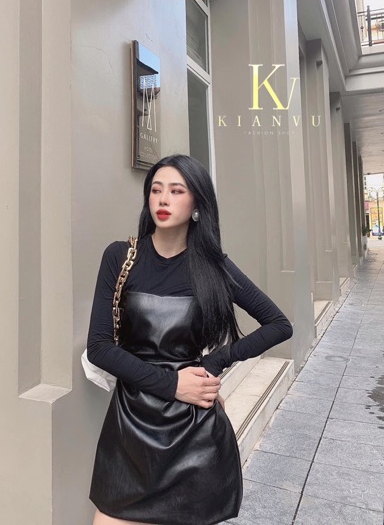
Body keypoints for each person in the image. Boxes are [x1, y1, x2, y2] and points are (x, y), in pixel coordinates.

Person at [86, 154, 293, 525]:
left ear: (197, 203)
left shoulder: (214, 267)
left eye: (176, 191)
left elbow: (278, 324)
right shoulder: (120, 256)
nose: (163, 199)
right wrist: (171, 384)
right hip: (130, 423)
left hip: (193, 430)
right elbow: (100, 347)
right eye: (156, 190)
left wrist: (215, 363)